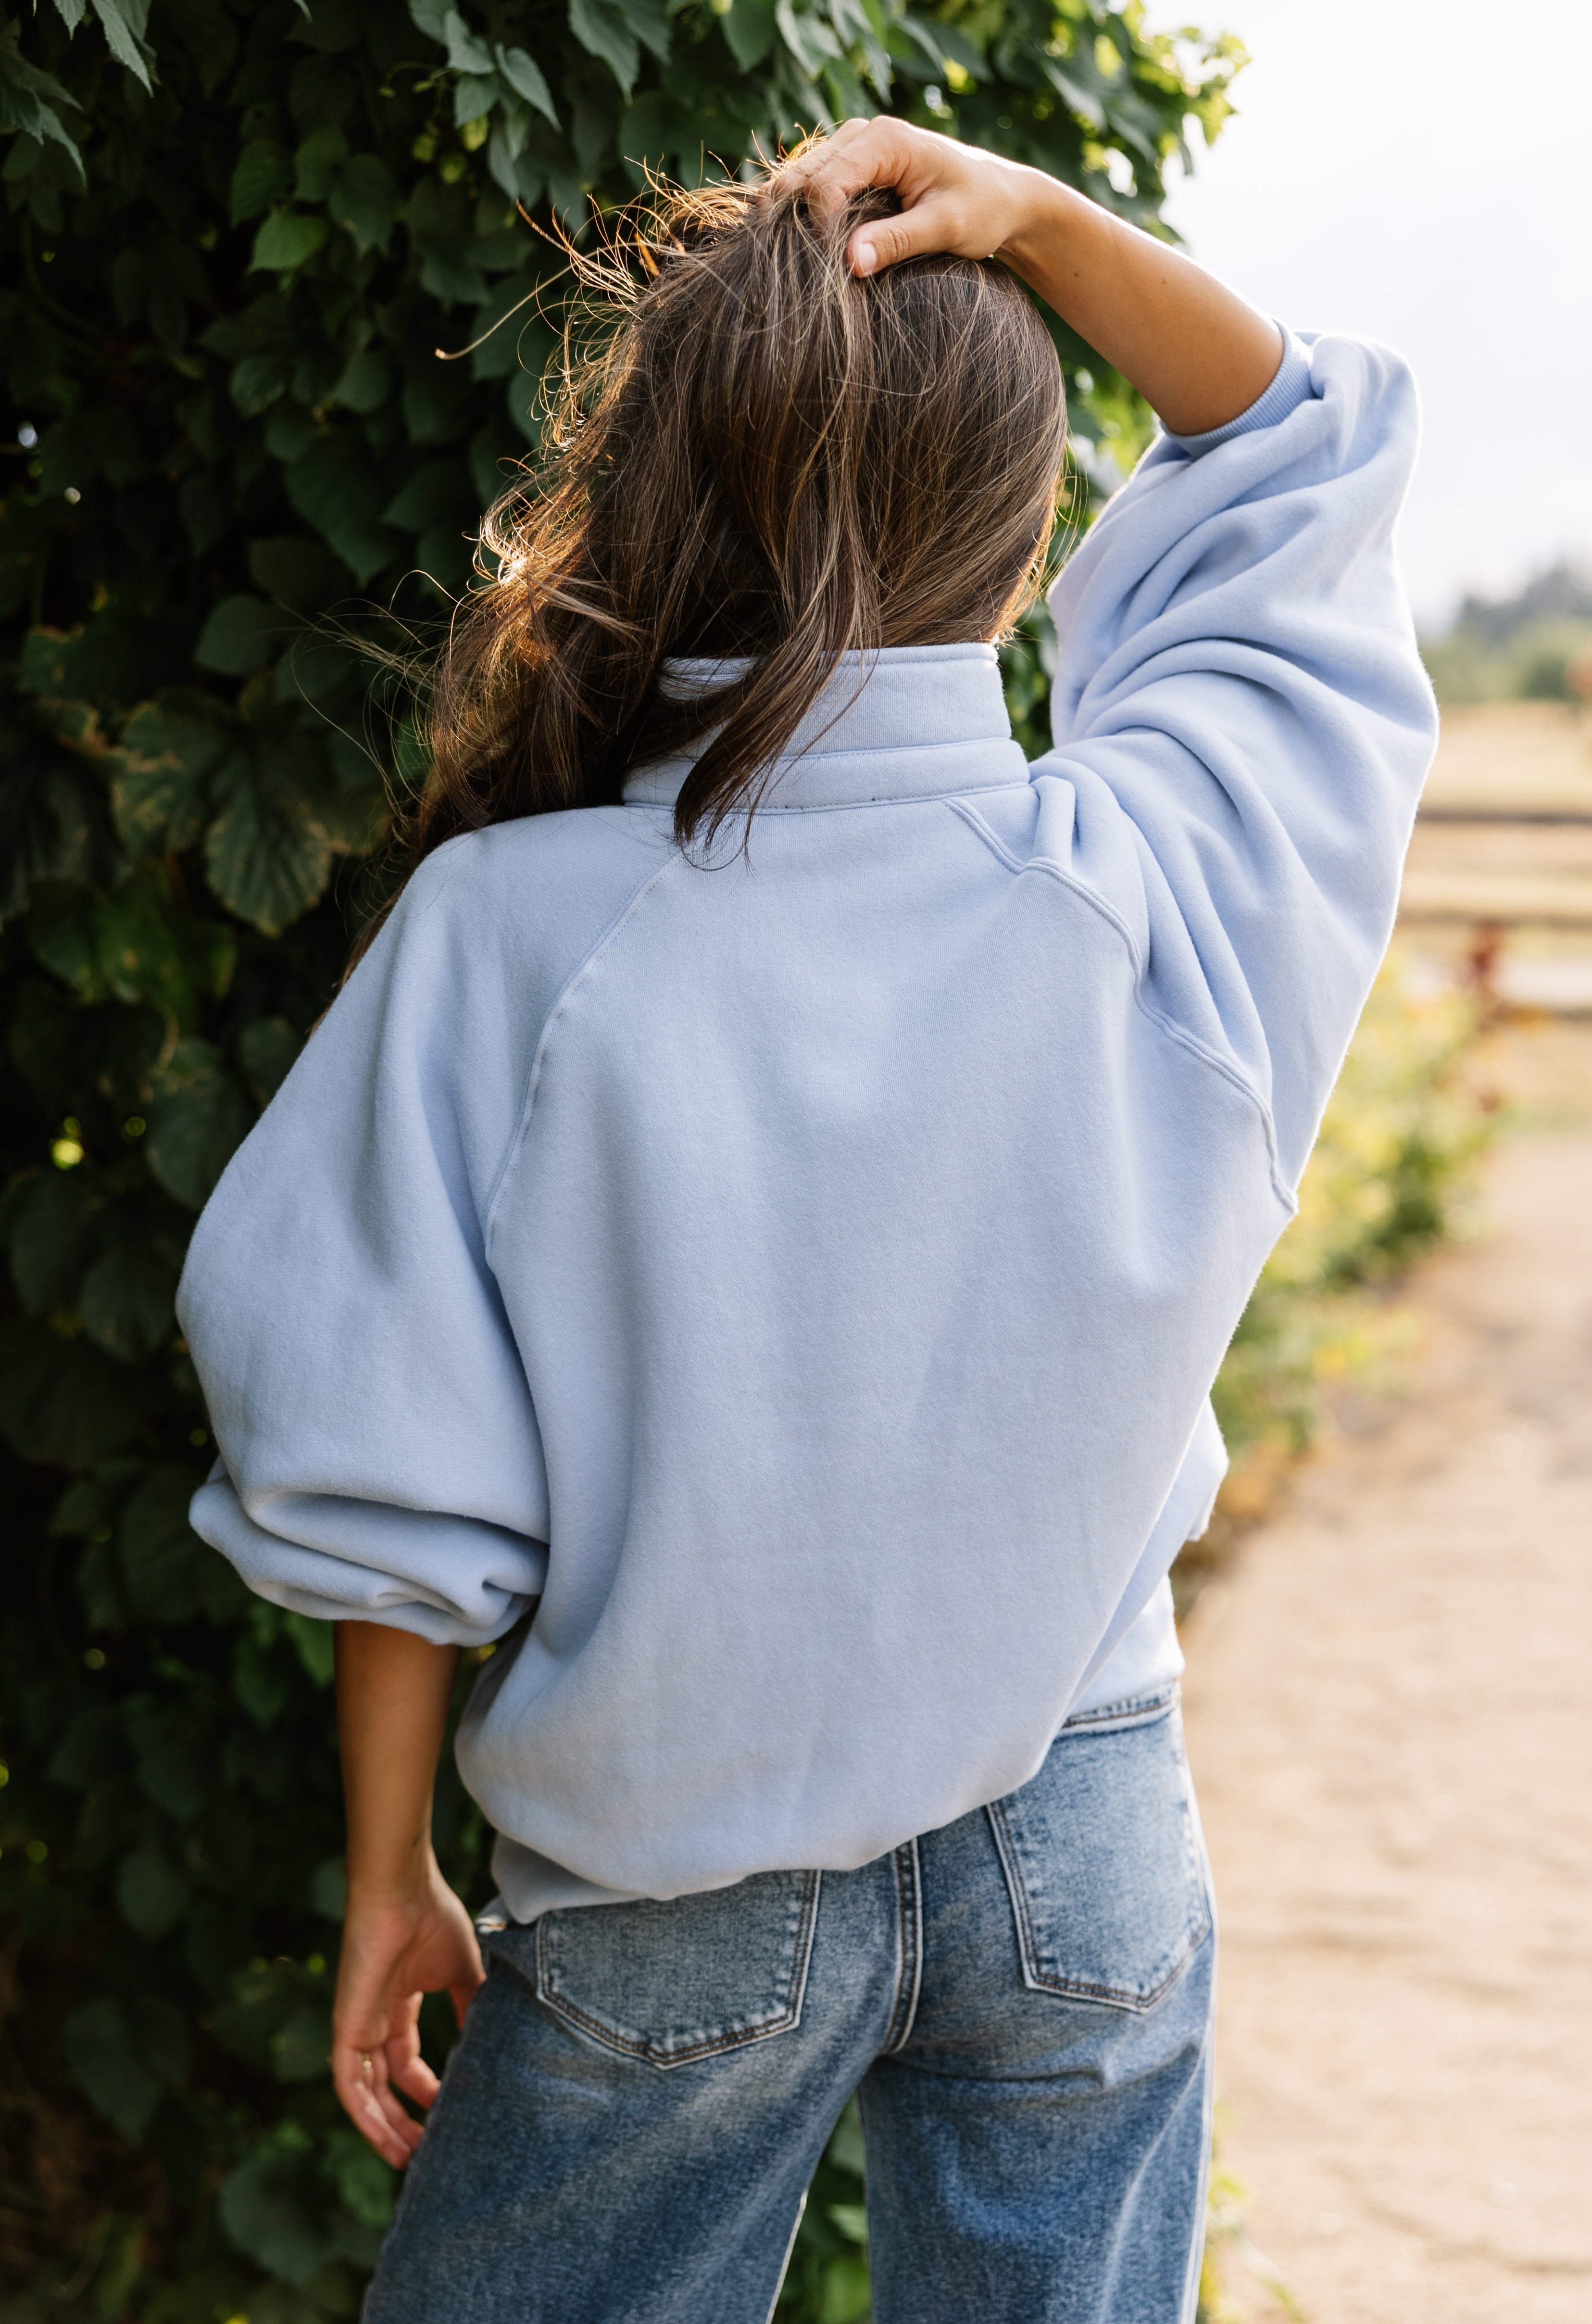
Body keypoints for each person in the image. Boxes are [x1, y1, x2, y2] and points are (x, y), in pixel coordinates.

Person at [177, 118, 1434, 2324]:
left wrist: (390, 1875)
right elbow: (1301, 448)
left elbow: (390, 1486)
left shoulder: (508, 935)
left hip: (676, 1859)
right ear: (1027, 547)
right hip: (1088, 1823)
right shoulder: (1155, 879)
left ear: (678, 492)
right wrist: (1031, 214)